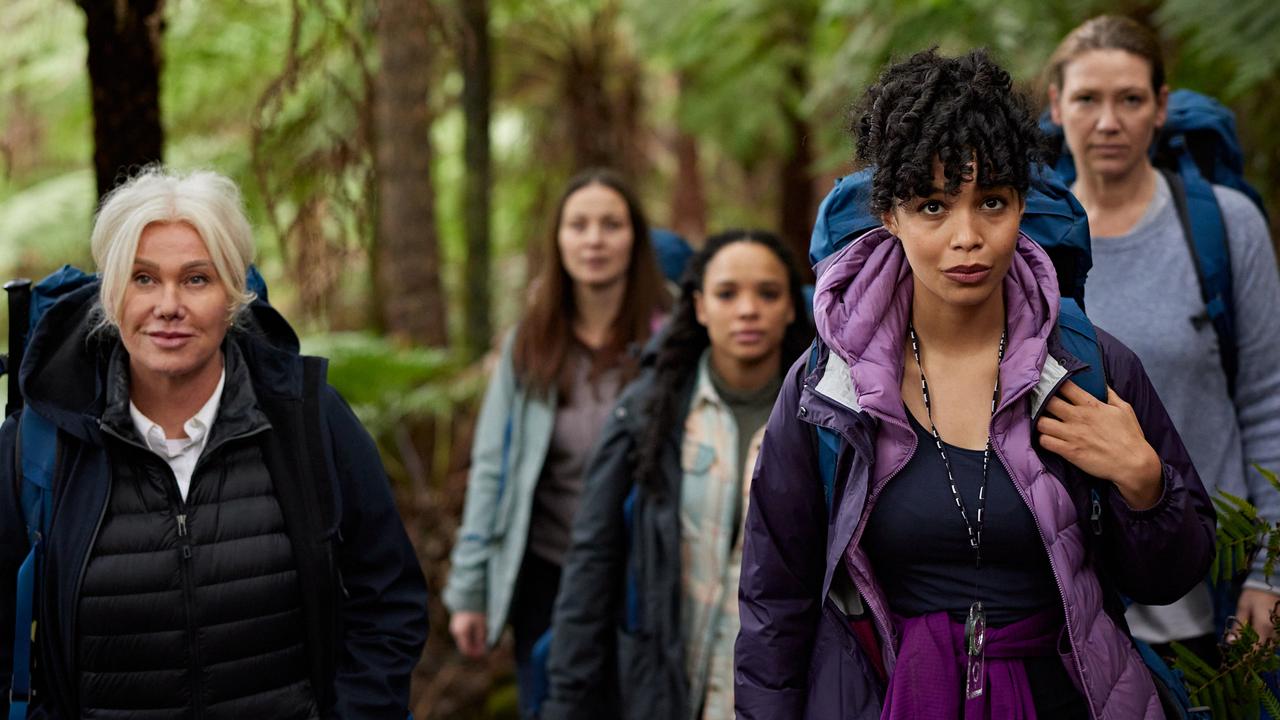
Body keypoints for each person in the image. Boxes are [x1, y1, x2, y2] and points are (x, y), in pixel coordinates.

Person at [735, 49, 1215, 719]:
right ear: (890, 216)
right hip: (892, 697)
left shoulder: (1088, 368)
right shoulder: (826, 388)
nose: (968, 237)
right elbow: (774, 602)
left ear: (1021, 205)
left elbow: (1173, 577)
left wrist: (1145, 483)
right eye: (933, 206)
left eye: (992, 201)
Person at [0, 167, 428, 718]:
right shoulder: (38, 444)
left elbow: (388, 599)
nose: (168, 305)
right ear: (111, 295)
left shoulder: (308, 419)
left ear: (234, 294)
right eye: (143, 278)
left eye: (197, 279)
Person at [1045, 15, 1280, 654]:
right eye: (1088, 99)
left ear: (1161, 107)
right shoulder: (1026, 245)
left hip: (1216, 591)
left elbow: (1267, 403)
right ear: (1056, 105)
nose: (1108, 121)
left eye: (1130, 99)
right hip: (1076, 605)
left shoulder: (1226, 230)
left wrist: (1268, 572)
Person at [542, 229, 813, 719]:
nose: (748, 309)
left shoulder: (824, 419)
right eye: (727, 294)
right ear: (700, 306)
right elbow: (593, 560)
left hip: (780, 696)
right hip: (663, 688)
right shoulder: (648, 414)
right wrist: (566, 699)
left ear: (793, 307)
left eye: (767, 294)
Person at [443, 168, 669, 717]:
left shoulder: (672, 332)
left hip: (649, 577)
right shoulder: (530, 342)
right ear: (559, 240)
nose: (594, 239)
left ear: (634, 239)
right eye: (579, 225)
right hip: (549, 576)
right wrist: (469, 590)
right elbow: (492, 469)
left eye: (610, 225)